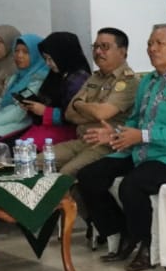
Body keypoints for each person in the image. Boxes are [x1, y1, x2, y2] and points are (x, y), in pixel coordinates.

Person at [75, 24, 166, 271]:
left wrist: (143, 135)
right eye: (149, 44)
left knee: (132, 185)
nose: (152, 49)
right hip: (140, 151)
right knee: (89, 176)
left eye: (159, 43)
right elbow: (135, 120)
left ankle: (147, 247)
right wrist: (115, 134)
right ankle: (122, 232)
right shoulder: (148, 81)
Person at [50, 28, 139, 177]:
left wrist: (79, 104)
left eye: (104, 47)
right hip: (82, 141)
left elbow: (101, 113)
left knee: (66, 173)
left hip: (106, 144)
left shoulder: (128, 80)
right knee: (36, 160)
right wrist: (92, 112)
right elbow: (69, 114)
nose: (98, 51)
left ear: (122, 51)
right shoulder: (95, 77)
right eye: (95, 46)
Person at [20, 32, 92, 147]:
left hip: (69, 132)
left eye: (51, 58)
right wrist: (33, 107)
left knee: (26, 148)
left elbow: (76, 117)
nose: (48, 63)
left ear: (62, 55)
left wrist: (45, 111)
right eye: (45, 59)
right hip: (47, 127)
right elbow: (48, 101)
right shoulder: (57, 74)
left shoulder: (78, 80)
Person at [0, 34, 48, 139]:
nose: (19, 56)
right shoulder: (16, 77)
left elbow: (18, 113)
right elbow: (2, 105)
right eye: (16, 51)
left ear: (37, 55)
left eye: (25, 52)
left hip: (18, 127)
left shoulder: (39, 79)